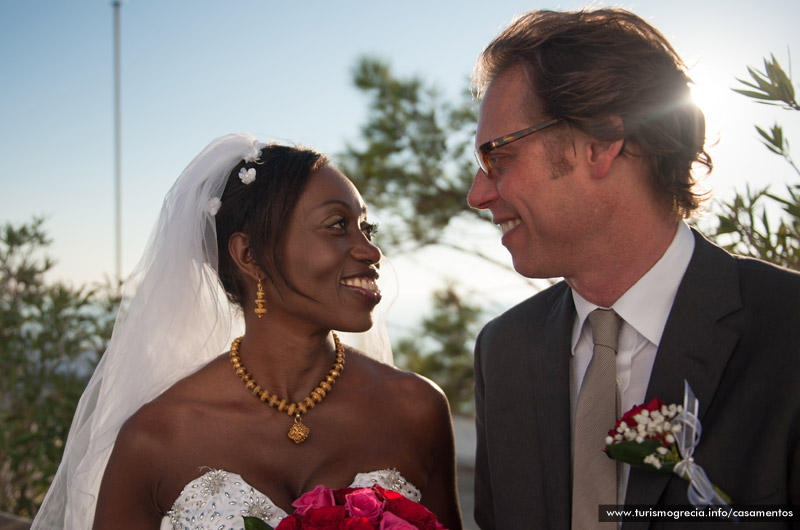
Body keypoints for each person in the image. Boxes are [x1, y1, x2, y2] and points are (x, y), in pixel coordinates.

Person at [467, 8, 800, 530]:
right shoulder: (502, 349)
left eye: (497, 158)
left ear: (601, 144)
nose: (478, 194)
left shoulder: (788, 328)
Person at [32, 133, 463, 530]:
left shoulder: (416, 410)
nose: (370, 250)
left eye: (366, 228)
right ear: (249, 254)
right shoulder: (155, 438)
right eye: (337, 225)